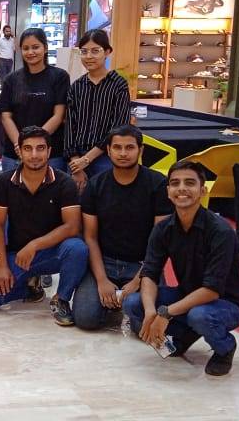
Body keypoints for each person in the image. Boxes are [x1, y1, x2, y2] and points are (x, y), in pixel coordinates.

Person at [123, 160, 239, 376]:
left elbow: (212, 290)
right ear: (168, 191)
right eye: (175, 183)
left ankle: (225, 348)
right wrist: (151, 311)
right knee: (134, 303)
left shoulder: (221, 231)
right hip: (187, 294)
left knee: (199, 316)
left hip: (226, 302)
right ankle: (185, 333)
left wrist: (165, 313)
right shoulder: (163, 228)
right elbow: (150, 273)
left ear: (203, 190)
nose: (181, 188)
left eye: (189, 183)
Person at [0, 126, 88, 326]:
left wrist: (35, 245)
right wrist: (1, 265)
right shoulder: (4, 181)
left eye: (40, 148)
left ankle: (61, 298)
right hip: (18, 254)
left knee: (77, 248)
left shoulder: (64, 182)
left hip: (53, 252)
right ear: (19, 151)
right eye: (28, 149)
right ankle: (29, 287)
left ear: (49, 151)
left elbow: (72, 227)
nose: (34, 155)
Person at [72, 125, 172, 330]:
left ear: (140, 150)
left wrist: (138, 280)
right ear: (108, 151)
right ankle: (111, 302)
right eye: (117, 147)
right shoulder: (96, 185)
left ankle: (124, 301)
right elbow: (90, 237)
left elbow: (161, 241)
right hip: (104, 262)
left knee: (142, 324)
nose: (123, 153)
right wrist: (101, 280)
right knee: (85, 318)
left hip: (143, 264)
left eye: (130, 147)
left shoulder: (158, 184)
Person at [64, 29, 131, 191]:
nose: (89, 56)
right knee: (75, 201)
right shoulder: (76, 86)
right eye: (84, 51)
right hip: (76, 157)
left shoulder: (118, 84)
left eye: (95, 51)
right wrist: (76, 162)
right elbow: (70, 126)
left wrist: (87, 159)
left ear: (107, 52)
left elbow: (119, 127)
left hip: (105, 157)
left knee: (104, 201)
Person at [0, 28, 70, 173]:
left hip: (50, 153)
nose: (30, 52)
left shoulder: (60, 77)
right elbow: (5, 116)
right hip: (15, 153)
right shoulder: (11, 80)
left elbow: (59, 115)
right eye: (26, 48)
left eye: (35, 47)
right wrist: (21, 144)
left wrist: (35, 144)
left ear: (45, 48)